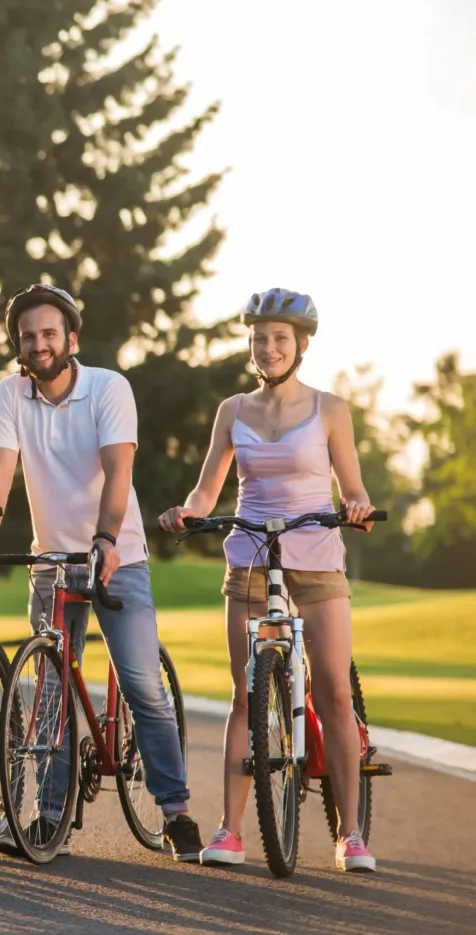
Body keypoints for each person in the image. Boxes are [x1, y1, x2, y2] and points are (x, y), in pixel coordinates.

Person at [0, 283, 202, 861]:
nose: (39, 344)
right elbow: (0, 476)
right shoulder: (9, 395)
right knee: (49, 690)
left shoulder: (108, 387)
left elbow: (118, 471)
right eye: (28, 336)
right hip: (52, 561)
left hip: (115, 555)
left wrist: (106, 539)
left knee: (142, 685)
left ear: (70, 339)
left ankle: (175, 810)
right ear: (19, 346)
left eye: (49, 333)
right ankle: (48, 816)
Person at [158, 287, 377, 873]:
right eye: (260, 338)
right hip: (251, 558)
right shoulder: (232, 410)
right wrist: (188, 510)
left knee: (332, 690)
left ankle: (350, 833)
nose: (268, 347)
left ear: (301, 344)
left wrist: (356, 507)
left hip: (317, 558)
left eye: (279, 338)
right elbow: (209, 489)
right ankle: (230, 831)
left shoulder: (330, 409)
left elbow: (351, 487)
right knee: (245, 694)